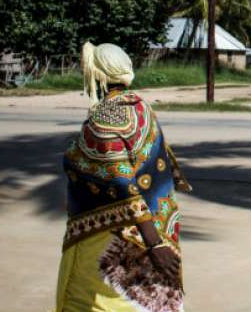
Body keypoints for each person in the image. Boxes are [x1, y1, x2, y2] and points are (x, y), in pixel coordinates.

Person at [55, 42, 191, 312]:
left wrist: (155, 245)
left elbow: (122, 183)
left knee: (95, 302)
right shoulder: (139, 106)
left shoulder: (104, 119)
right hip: (152, 225)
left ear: (97, 75)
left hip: (111, 234)